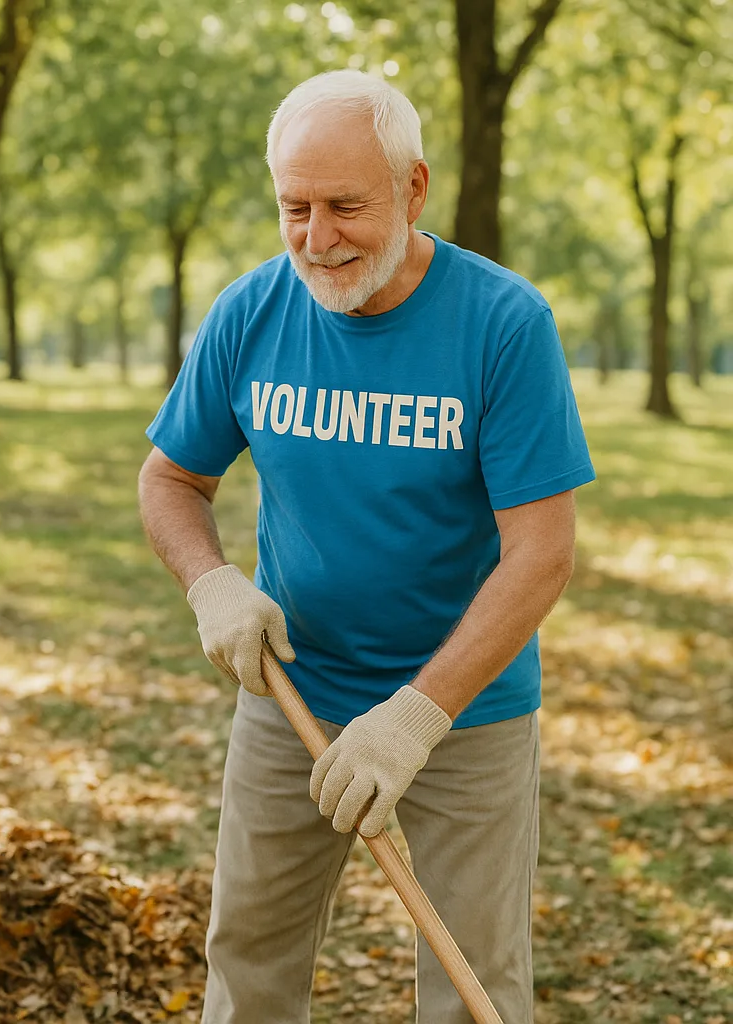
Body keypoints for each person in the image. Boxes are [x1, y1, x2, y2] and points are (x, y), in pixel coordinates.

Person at [138, 69, 593, 1024]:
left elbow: (542, 551)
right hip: (294, 700)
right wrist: (213, 583)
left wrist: (416, 717)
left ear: (414, 189)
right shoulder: (250, 312)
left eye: (345, 206)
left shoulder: (505, 325)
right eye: (293, 208)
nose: (316, 237)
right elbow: (171, 479)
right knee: (248, 963)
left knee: (474, 988)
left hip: (463, 719)